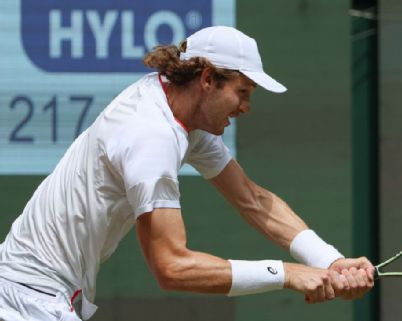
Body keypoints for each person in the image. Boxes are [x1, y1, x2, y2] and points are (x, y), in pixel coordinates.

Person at [0, 26, 375, 321]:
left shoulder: (181, 112)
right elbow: (171, 267)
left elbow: (254, 201)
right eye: (242, 92)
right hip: (27, 301)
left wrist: (329, 261)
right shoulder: (151, 135)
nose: (246, 107)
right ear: (208, 79)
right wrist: (285, 274)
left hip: (40, 295)